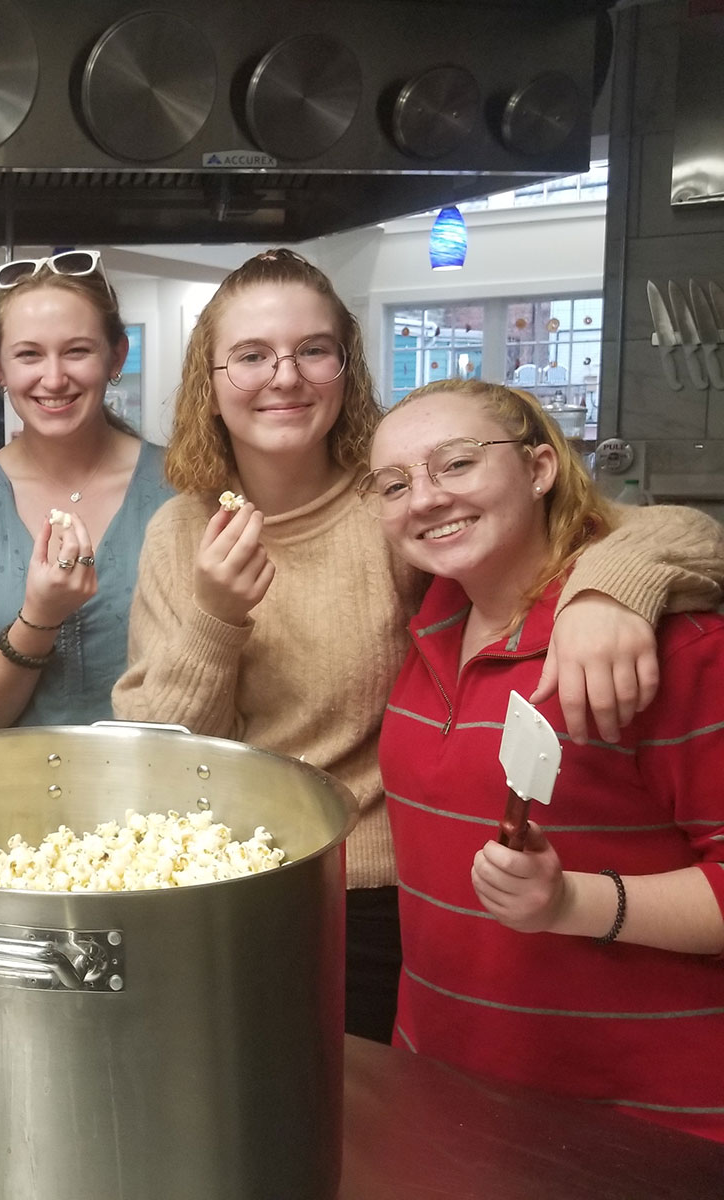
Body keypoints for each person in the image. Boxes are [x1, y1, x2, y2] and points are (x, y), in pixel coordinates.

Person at [112, 248, 724, 1045]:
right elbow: (159, 750)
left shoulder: (397, 506)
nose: (285, 377)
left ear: (346, 365)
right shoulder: (181, 531)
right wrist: (216, 617)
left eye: (313, 351)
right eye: (252, 356)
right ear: (211, 378)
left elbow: (656, 530)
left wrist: (610, 586)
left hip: (384, 891)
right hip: (229, 883)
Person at [370, 379, 724, 1141]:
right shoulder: (427, 626)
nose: (424, 498)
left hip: (638, 1123)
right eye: (395, 485)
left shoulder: (670, 647)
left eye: (456, 464)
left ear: (538, 470)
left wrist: (573, 904)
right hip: (448, 1084)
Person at [0, 250, 175, 729]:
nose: (54, 377)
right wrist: (39, 618)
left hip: (159, 790)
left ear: (116, 356)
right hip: (15, 792)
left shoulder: (181, 488)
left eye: (77, 350)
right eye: (29, 355)